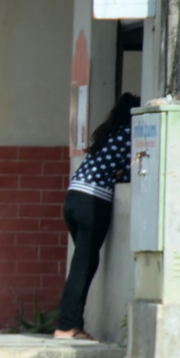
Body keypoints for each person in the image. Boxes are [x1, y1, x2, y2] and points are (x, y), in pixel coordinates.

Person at [55, 93, 137, 341]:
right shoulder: (130, 134)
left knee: (84, 264)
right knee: (83, 266)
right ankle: (68, 326)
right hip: (93, 202)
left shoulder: (106, 134)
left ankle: (71, 323)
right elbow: (133, 170)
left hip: (73, 198)